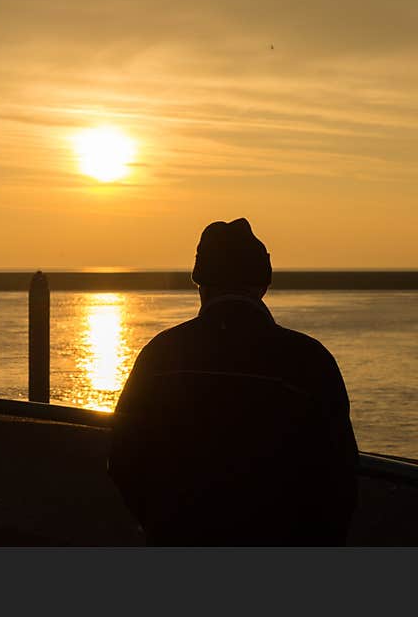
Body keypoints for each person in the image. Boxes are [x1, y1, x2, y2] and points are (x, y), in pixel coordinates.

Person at [108, 218, 358, 545]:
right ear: (263, 285)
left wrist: (162, 524)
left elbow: (122, 457)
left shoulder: (160, 355)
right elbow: (339, 474)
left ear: (200, 284)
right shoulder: (309, 360)